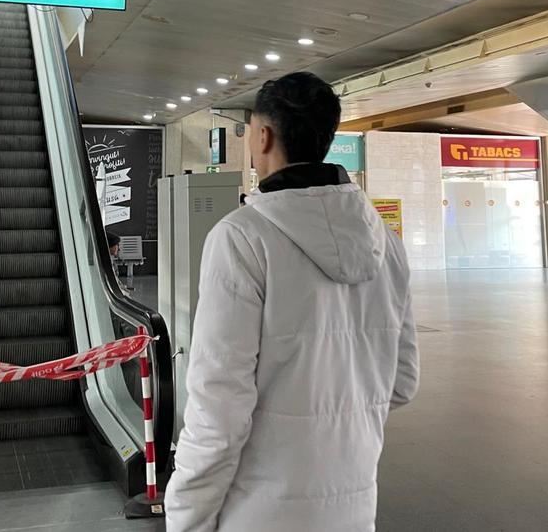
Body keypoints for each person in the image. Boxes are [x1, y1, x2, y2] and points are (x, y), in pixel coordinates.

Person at [165, 72, 418, 531]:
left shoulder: (242, 237)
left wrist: (187, 515)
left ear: (262, 136)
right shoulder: (387, 242)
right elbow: (401, 384)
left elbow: (218, 405)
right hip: (354, 509)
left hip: (257, 511)